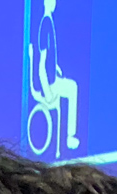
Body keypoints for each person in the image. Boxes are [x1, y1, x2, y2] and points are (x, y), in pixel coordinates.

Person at [32, 0, 80, 151]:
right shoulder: (45, 25)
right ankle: (70, 137)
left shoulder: (49, 22)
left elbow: (49, 60)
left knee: (72, 85)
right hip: (48, 84)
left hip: (53, 77)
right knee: (72, 88)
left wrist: (56, 69)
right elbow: (41, 65)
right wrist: (47, 92)